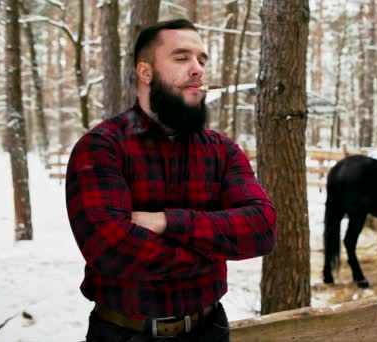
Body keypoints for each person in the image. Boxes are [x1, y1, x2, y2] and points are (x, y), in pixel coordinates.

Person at [65, 19, 277, 342]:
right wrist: (211, 254)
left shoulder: (222, 151)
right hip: (125, 334)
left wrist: (168, 222)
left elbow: (263, 227)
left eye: (202, 60)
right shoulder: (102, 147)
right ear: (145, 72)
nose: (197, 70)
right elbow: (110, 249)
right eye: (181, 58)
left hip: (209, 331)